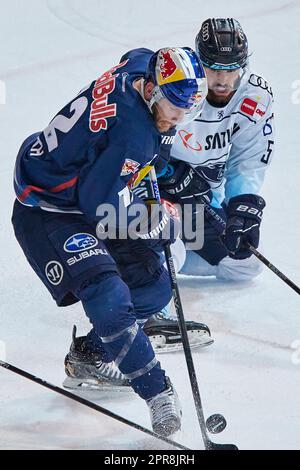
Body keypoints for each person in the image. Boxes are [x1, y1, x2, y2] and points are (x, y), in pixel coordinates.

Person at [12, 46, 208, 437]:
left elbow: (135, 52)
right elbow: (104, 208)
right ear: (151, 90)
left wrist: (161, 167)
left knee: (153, 286)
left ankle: (90, 354)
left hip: (87, 188)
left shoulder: (140, 67)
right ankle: (158, 392)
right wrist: (162, 222)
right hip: (50, 211)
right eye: (172, 106)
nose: (180, 117)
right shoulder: (131, 138)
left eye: (188, 107)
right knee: (109, 295)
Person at [156, 18, 275, 284]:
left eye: (231, 69)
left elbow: (250, 158)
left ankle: (158, 263)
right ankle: (151, 264)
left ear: (243, 66)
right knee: (166, 244)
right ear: (199, 62)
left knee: (246, 264)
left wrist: (242, 204)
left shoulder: (254, 96)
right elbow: (137, 141)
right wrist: (165, 171)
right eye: (213, 68)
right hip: (157, 196)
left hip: (202, 200)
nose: (222, 81)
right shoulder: (175, 86)